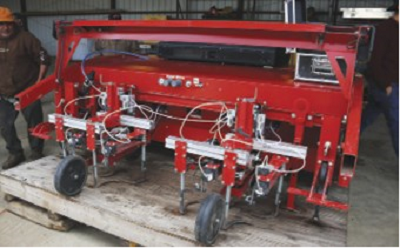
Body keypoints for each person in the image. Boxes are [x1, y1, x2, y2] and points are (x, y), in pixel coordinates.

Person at [0, 6, 50, 169]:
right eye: (1, 24)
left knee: (34, 124)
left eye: (8, 24)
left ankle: (36, 152)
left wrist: (39, 83)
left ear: (13, 24)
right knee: (5, 125)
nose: (5, 27)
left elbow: (43, 57)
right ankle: (16, 153)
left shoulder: (26, 39)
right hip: (4, 92)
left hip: (27, 90)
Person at [361, 1, 399, 157]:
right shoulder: (385, 29)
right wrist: (386, 85)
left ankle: (342, 142)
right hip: (387, 86)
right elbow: (375, 62)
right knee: (397, 124)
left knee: (366, 118)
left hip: (389, 85)